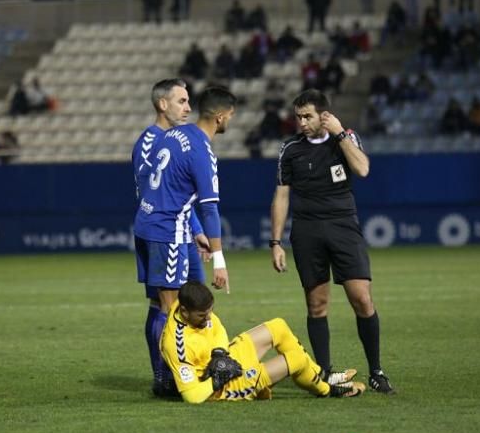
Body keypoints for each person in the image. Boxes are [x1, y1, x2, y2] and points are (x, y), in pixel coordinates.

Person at [269, 89, 396, 395]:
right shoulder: (290, 149)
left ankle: (376, 371)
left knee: (362, 298)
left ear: (324, 116)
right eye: (298, 116)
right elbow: (282, 195)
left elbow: (363, 169)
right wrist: (275, 241)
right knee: (317, 304)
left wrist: (340, 134)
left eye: (307, 116)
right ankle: (325, 373)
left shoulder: (345, 138)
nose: (301, 122)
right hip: (307, 230)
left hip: (343, 226)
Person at [132, 79, 211, 396]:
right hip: (161, 232)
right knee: (164, 304)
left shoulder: (175, 140)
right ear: (162, 104)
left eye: (189, 100)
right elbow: (152, 196)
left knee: (196, 299)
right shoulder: (150, 143)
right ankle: (164, 375)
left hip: (180, 230)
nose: (188, 108)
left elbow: (178, 194)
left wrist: (196, 229)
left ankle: (192, 368)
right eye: (181, 101)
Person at [134, 84, 238, 325]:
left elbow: (159, 187)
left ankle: (165, 364)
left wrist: (195, 230)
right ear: (220, 117)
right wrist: (220, 262)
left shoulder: (170, 135)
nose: (229, 122)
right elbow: (210, 208)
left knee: (164, 303)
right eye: (230, 117)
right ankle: (169, 365)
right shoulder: (201, 152)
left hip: (146, 225)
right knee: (171, 310)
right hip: (168, 232)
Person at [160, 281, 364, 403]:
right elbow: (191, 396)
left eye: (210, 312)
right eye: (202, 316)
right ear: (185, 312)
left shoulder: (188, 304)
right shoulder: (176, 343)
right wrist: (216, 380)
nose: (207, 319)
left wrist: (220, 354)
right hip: (222, 387)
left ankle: (319, 375)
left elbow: (218, 328)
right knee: (296, 359)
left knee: (278, 326)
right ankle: (329, 390)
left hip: (225, 360)